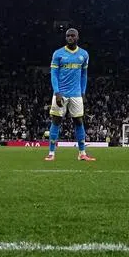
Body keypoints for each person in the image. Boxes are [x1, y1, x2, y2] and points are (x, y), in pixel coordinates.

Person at [47, 27, 95, 162]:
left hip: (76, 94)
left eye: (72, 36)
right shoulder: (58, 54)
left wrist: (83, 92)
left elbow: (84, 75)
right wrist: (57, 92)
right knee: (56, 120)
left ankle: (82, 153)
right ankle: (51, 153)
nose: (70, 38)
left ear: (77, 37)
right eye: (68, 36)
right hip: (61, 93)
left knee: (79, 121)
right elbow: (53, 75)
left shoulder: (84, 54)